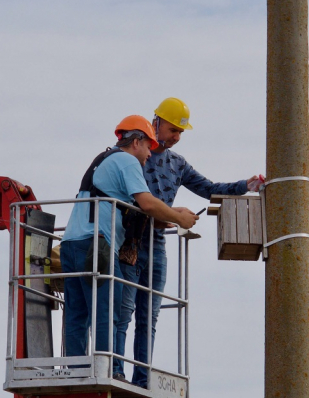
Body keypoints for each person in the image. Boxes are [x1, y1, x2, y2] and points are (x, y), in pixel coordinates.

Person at [113, 98, 265, 387]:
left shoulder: (176, 164)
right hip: (128, 240)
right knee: (124, 309)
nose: (177, 137)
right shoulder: (130, 154)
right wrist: (172, 214)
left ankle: (142, 378)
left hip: (155, 244)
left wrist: (245, 186)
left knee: (149, 315)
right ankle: (117, 370)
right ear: (156, 123)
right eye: (174, 130)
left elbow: (209, 189)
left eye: (181, 132)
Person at [61, 115, 199, 370]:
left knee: (77, 315)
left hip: (71, 243)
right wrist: (179, 218)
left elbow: (139, 208)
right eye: (148, 147)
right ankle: (107, 370)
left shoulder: (103, 159)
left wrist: (170, 212)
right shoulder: (127, 161)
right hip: (98, 245)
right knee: (106, 311)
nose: (150, 155)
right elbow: (147, 202)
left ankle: (76, 370)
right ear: (136, 142)